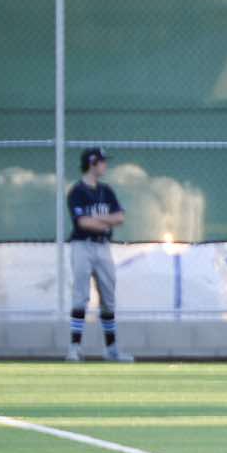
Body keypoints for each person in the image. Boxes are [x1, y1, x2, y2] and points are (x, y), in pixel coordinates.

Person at [65, 147, 132, 363]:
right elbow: (83, 223)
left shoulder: (106, 190)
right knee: (80, 297)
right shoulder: (77, 191)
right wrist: (105, 222)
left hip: (103, 247)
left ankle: (111, 349)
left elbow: (120, 218)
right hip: (82, 246)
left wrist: (98, 221)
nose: (105, 165)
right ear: (92, 163)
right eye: (102, 162)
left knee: (108, 299)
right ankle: (74, 348)